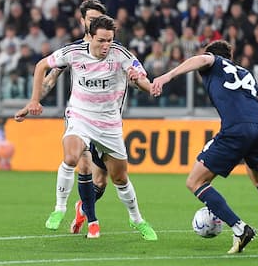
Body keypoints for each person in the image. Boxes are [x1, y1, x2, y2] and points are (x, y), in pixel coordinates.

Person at [151, 40, 258, 253]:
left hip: (236, 129)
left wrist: (166, 76)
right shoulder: (246, 74)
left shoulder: (213, 62)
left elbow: (202, 59)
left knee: (195, 181)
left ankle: (240, 228)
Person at [16, 14, 158, 241]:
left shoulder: (121, 55)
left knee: (120, 178)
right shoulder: (74, 52)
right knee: (72, 157)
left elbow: (140, 77)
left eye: (109, 40)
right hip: (80, 117)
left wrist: (147, 85)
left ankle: (137, 219)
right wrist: (34, 100)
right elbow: (41, 65)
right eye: (101, 40)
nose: (106, 45)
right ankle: (60, 208)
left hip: (109, 124)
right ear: (90, 36)